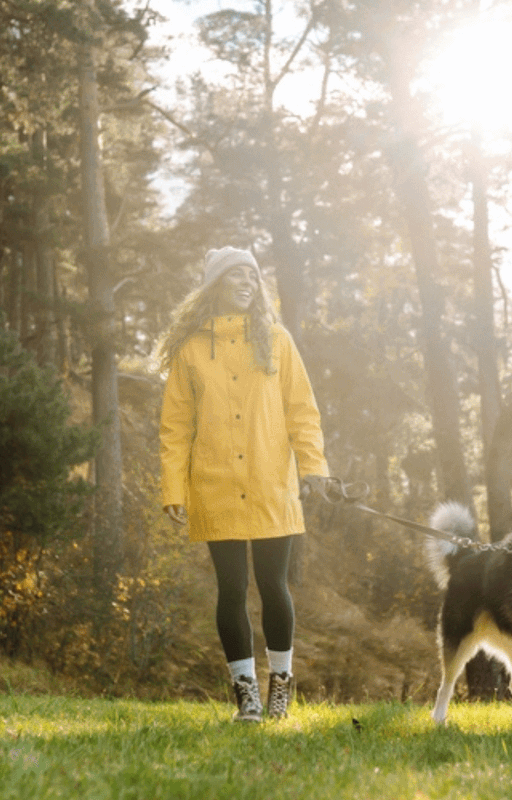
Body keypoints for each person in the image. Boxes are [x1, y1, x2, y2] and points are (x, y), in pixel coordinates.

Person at [155, 246, 329, 723]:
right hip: (213, 483)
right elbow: (175, 426)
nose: (248, 282)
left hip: (272, 480)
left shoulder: (277, 341)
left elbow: (302, 412)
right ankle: (245, 692)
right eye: (237, 275)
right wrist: (174, 488)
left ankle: (281, 686)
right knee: (230, 588)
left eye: (253, 275)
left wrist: (314, 468)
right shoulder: (190, 350)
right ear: (215, 285)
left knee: (274, 585)